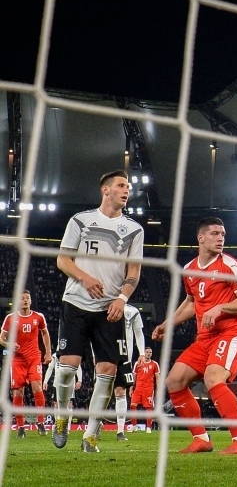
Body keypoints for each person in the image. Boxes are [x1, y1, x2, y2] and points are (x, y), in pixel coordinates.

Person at [53, 170, 144, 452]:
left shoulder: (134, 229)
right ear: (105, 190)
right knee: (67, 368)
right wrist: (86, 277)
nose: (126, 190)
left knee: (107, 370)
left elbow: (134, 271)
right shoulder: (81, 220)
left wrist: (121, 298)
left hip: (110, 309)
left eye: (128, 186)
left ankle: (90, 435)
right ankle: (61, 417)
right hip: (77, 301)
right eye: (121, 185)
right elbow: (63, 260)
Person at [152, 217, 237, 455]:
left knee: (213, 378)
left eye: (223, 234)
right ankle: (201, 439)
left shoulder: (230, 265)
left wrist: (221, 308)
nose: (220, 238)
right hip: (204, 339)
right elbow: (191, 303)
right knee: (174, 381)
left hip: (231, 332)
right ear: (201, 238)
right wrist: (167, 324)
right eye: (215, 234)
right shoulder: (189, 269)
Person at [1, 290, 52, 437]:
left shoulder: (38, 317)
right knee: (18, 392)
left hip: (34, 358)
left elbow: (45, 333)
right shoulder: (10, 318)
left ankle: (41, 423)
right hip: (17, 359)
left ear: (30, 301)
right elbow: (1, 338)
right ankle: (21, 427)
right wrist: (8, 344)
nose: (25, 300)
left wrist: (48, 352)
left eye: (27, 298)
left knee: (37, 388)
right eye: (22, 298)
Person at [109, 303, 145, 441]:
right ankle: (95, 426)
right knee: (103, 393)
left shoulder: (133, 311)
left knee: (121, 392)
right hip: (106, 357)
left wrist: (142, 353)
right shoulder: (104, 307)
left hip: (125, 359)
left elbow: (139, 332)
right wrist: (95, 354)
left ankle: (120, 431)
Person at [130, 347, 160, 433]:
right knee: (133, 405)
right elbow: (134, 376)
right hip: (138, 388)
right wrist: (131, 387)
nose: (149, 354)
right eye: (147, 352)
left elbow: (158, 377)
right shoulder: (138, 363)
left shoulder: (154, 364)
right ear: (144, 353)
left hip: (148, 389)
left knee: (148, 408)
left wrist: (158, 390)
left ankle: (148, 428)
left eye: (150, 352)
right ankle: (134, 426)